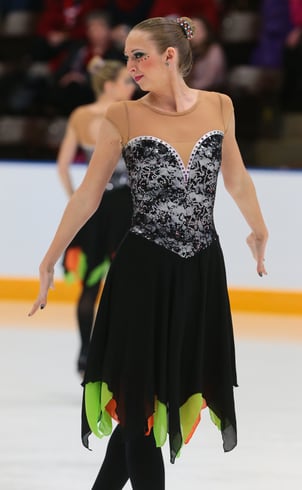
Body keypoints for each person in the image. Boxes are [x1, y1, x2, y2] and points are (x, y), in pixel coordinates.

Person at [29, 16, 268, 489]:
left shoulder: (220, 106)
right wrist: (50, 256)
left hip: (199, 272)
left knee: (153, 408)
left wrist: (258, 229)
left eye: (139, 55)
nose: (131, 66)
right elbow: (88, 196)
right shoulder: (123, 115)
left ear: (170, 56)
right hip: (142, 273)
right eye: (127, 58)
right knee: (138, 411)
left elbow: (235, 178)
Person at [57, 57, 135, 374]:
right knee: (126, 283)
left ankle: (86, 352)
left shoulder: (80, 115)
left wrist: (77, 200)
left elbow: (63, 165)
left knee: (90, 287)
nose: (133, 87)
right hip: (125, 204)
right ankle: (114, 352)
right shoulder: (127, 115)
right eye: (127, 81)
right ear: (110, 85)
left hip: (94, 205)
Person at [186, 15, 227, 91]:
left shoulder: (214, 50)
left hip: (213, 94)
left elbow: (208, 81)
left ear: (207, 31)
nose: (195, 34)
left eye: (199, 29)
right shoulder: (188, 52)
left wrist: (185, 89)